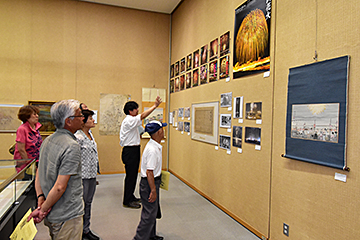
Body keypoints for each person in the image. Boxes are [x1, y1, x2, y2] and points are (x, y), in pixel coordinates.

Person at [27, 99, 85, 240]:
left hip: (53, 212)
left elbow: (39, 173)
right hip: (67, 214)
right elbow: (60, 187)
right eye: (79, 114)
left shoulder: (48, 140)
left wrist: (41, 199)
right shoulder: (71, 146)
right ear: (68, 121)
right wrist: (43, 210)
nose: (83, 117)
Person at [120, 96, 162, 209]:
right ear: (130, 111)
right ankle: (127, 200)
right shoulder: (129, 120)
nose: (138, 111)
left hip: (134, 150)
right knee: (130, 176)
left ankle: (131, 196)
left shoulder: (134, 122)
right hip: (130, 151)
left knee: (133, 176)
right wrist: (155, 106)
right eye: (136, 109)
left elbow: (142, 131)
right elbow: (143, 116)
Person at [133, 120, 167, 240]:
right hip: (149, 183)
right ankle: (139, 238)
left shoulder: (154, 145)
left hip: (152, 182)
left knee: (152, 211)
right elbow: (149, 172)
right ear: (159, 132)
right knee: (149, 214)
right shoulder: (152, 150)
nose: (163, 131)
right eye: (162, 129)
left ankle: (150, 235)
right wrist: (153, 190)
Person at [75, 109, 100, 240]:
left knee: (88, 202)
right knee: (82, 204)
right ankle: (79, 232)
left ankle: (86, 229)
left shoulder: (90, 134)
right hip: (82, 176)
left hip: (91, 175)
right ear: (83, 122)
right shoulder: (78, 137)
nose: (93, 120)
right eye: (90, 118)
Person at [14, 105, 43, 177]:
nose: (37, 116)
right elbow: (21, 149)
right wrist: (28, 164)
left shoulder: (36, 128)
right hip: (26, 163)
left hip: (35, 161)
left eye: (37, 114)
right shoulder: (22, 129)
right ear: (27, 116)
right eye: (34, 114)